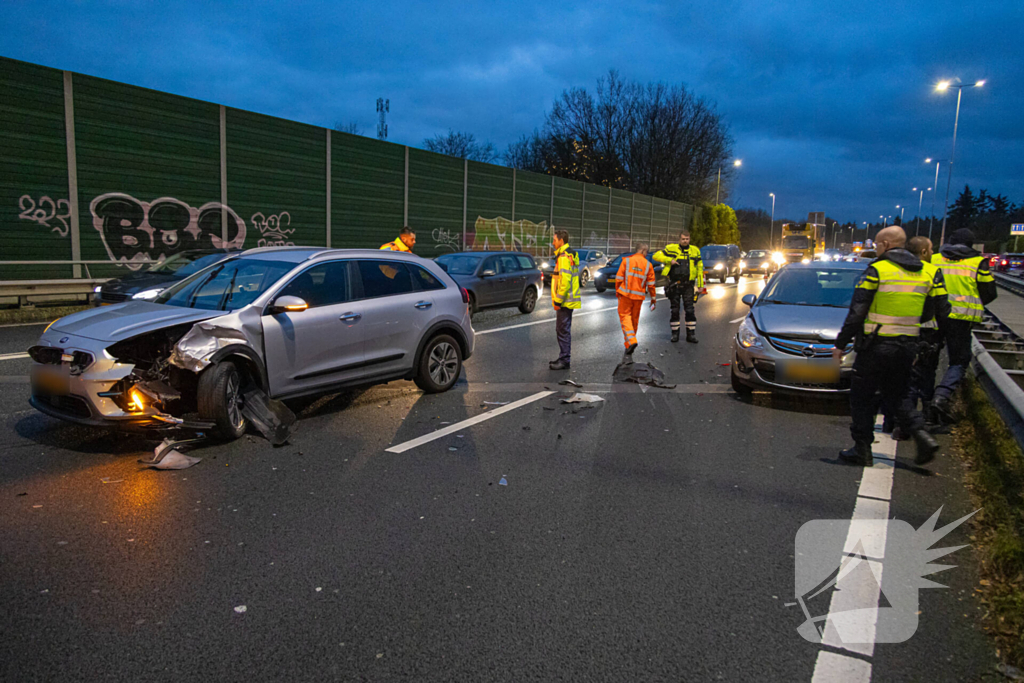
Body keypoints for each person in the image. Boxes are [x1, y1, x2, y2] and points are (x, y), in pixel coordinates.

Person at [833, 226, 949, 467]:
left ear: (886, 244)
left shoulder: (878, 270)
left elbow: (857, 311)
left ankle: (862, 449)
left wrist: (841, 343)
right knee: (899, 394)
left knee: (862, 398)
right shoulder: (929, 272)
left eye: (877, 244)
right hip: (908, 346)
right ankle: (922, 435)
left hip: (875, 346)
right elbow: (935, 311)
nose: (876, 248)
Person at [929, 228, 998, 422]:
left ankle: (926, 403)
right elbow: (989, 292)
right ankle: (942, 396)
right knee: (959, 360)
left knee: (928, 359)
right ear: (971, 244)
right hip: (962, 318)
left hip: (934, 315)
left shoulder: (935, 259)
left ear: (950, 241)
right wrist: (974, 301)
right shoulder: (977, 262)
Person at [906, 236, 943, 422]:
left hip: (902, 331)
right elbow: (941, 306)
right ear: (923, 252)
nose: (933, 253)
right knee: (927, 374)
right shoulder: (932, 271)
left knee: (908, 377)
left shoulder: (896, 268)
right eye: (931, 249)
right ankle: (927, 417)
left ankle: (905, 422)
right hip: (928, 332)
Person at [653, 231, 704, 343]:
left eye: (687, 239)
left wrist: (700, 285)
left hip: (688, 285)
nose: (685, 241)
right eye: (683, 239)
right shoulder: (671, 248)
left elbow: (700, 269)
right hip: (674, 284)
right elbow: (656, 255)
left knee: (690, 310)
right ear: (679, 239)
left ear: (689, 239)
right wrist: (669, 260)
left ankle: (691, 335)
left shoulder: (695, 250)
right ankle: (675, 334)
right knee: (675, 310)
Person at [615, 242, 657, 355]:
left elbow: (618, 278)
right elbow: (651, 285)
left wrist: (618, 291)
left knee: (625, 317)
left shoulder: (626, 261)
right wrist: (653, 298)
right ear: (643, 251)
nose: (647, 254)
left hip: (625, 295)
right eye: (647, 252)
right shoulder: (648, 265)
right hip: (638, 297)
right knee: (634, 320)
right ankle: (629, 344)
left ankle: (631, 341)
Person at [549, 230, 581, 370]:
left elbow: (565, 281)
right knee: (563, 330)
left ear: (561, 241)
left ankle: (564, 360)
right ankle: (563, 357)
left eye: (555, 240)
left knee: (562, 330)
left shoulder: (563, 257)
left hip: (565, 300)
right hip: (569, 299)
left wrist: (558, 300)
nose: (553, 243)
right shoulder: (570, 255)